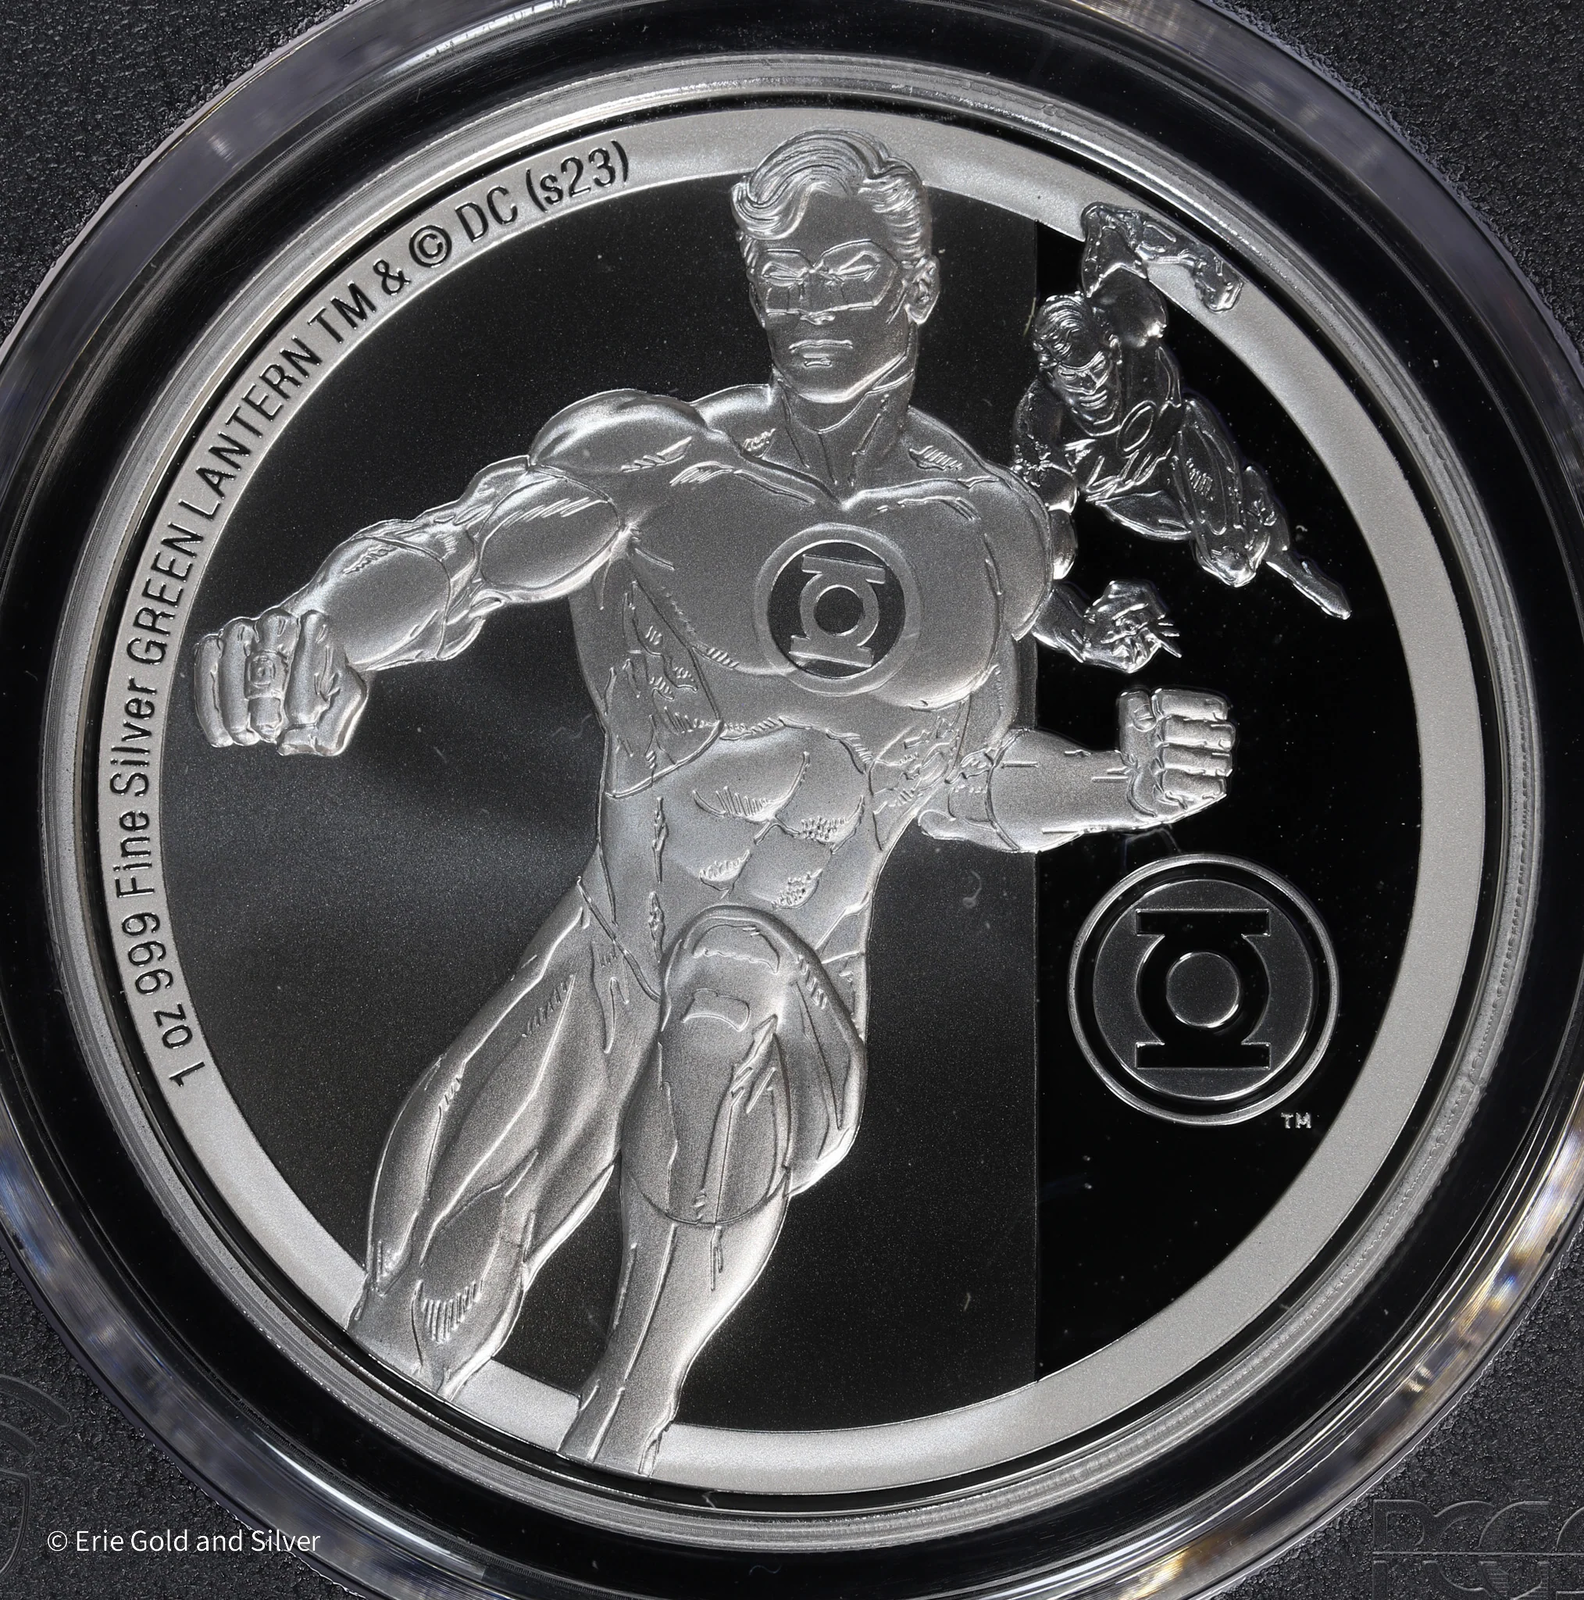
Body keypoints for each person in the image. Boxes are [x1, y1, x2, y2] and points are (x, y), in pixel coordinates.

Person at [192, 130, 1235, 1477]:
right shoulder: (659, 466)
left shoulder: (990, 535)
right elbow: (455, 559)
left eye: (847, 275)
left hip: (795, 989)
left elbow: (963, 779)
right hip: (611, 953)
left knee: (723, 996)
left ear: (918, 283)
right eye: (784, 279)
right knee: (415, 1315)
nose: (813, 307)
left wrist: (1118, 785)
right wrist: (316, 630)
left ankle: (628, 1431)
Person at [1014, 202, 1351, 622]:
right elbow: (1044, 516)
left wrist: (1199, 258)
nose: (1095, 388)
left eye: (1098, 369)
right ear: (1052, 377)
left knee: (1229, 554)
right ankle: (1263, 534)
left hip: (1177, 433)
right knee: (1230, 555)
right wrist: (1049, 572)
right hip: (1133, 495)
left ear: (1111, 346)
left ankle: (1281, 555)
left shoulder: (1131, 320)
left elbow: (1110, 223)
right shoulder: (1042, 427)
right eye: (1077, 381)